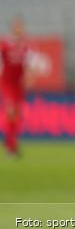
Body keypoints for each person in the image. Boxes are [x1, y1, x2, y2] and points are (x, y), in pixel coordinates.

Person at [1, 15, 31, 157]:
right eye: (18, 26)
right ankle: (11, 147)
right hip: (7, 82)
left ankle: (10, 142)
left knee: (17, 115)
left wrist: (29, 77)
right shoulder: (5, 43)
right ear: (13, 28)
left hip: (19, 84)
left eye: (21, 26)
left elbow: (27, 65)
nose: (20, 29)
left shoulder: (24, 45)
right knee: (11, 111)